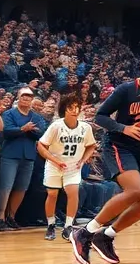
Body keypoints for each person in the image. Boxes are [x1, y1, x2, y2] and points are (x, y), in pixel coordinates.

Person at [71, 51, 140, 264]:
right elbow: (101, 116)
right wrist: (124, 128)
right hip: (119, 144)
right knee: (134, 190)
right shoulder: (127, 89)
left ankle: (107, 236)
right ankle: (85, 232)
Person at [37, 93, 96, 242]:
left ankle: (68, 226)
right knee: (52, 195)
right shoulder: (56, 126)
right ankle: (51, 224)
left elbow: (91, 146)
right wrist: (54, 160)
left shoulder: (85, 127)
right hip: (54, 165)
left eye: (77, 107)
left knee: (73, 192)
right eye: (71, 107)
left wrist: (83, 160)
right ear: (65, 109)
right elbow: (41, 146)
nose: (75, 110)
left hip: (73, 167)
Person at [0, 87, 47, 230]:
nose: (26, 99)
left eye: (29, 97)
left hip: (29, 155)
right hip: (10, 154)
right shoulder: (9, 113)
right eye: (24, 97)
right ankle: (0, 218)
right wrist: (23, 129)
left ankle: (12, 216)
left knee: (21, 188)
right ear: (18, 98)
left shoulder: (37, 117)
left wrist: (22, 130)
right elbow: (7, 131)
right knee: (5, 186)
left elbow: (40, 133)